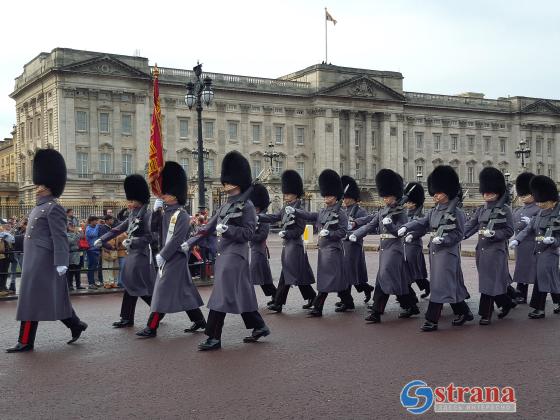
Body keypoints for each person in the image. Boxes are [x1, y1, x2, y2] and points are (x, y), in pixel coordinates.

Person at [184, 151, 270, 351]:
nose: (225, 184)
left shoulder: (247, 206)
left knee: (220, 295)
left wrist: (228, 230)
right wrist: (189, 242)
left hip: (236, 255)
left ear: (238, 181)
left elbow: (248, 233)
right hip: (224, 254)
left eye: (229, 181)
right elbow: (207, 227)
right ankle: (259, 326)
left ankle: (214, 336)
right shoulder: (226, 205)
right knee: (240, 294)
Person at [6, 149, 87, 353]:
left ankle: (25, 341)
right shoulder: (37, 208)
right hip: (34, 260)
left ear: (49, 187)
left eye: (40, 185)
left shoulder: (53, 208)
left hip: (45, 262)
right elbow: (33, 236)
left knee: (32, 299)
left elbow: (59, 237)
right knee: (50, 298)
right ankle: (76, 324)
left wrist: (62, 262)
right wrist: (13, 239)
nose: (37, 188)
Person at [135, 163, 206, 338]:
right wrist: (155, 210)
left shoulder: (181, 215)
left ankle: (151, 327)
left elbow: (176, 239)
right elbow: (151, 227)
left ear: (174, 195)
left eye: (165, 193)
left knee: (161, 292)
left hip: (174, 258)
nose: (162, 195)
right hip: (166, 257)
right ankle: (200, 321)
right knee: (183, 290)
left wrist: (163, 255)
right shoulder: (164, 211)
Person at [398, 165, 472, 331]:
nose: (435, 195)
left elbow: (459, 234)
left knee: (439, 286)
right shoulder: (434, 211)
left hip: (448, 253)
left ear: (446, 192)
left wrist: (444, 240)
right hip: (435, 253)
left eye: (438, 193)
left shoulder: (457, 212)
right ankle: (464, 312)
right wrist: (407, 227)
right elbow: (422, 222)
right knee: (446, 284)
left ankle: (432, 319)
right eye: (434, 192)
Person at [350, 169, 419, 323]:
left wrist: (391, 226)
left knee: (384, 278)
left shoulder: (401, 212)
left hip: (395, 249)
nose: (386, 199)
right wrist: (356, 234)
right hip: (385, 249)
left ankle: (376, 312)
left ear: (395, 195)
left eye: (388, 196)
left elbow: (401, 232)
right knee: (398, 280)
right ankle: (411, 306)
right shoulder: (384, 211)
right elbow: (370, 225)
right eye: (384, 196)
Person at [287, 169, 352, 316]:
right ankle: (348, 301)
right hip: (323, 252)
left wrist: (330, 233)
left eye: (328, 195)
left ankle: (318, 307)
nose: (326, 198)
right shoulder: (323, 211)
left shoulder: (341, 214)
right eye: (325, 195)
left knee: (327, 280)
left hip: (334, 251)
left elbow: (343, 232)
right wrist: (295, 211)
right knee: (335, 279)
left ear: (335, 197)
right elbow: (310, 215)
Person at [95, 174, 156, 328]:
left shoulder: (148, 215)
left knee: (138, 287)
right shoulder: (132, 214)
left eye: (132, 201)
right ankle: (127, 318)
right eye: (130, 201)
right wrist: (102, 239)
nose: (130, 204)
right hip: (132, 255)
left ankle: (157, 310)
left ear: (140, 200)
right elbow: (118, 228)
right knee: (130, 285)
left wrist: (133, 241)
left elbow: (151, 236)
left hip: (141, 255)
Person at [464, 167, 516, 325]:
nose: (486, 195)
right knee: (489, 282)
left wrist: (494, 235)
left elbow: (509, 230)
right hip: (482, 251)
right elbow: (470, 226)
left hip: (496, 251)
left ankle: (485, 314)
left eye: (490, 192)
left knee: (489, 283)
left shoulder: (505, 210)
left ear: (497, 192)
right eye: (485, 192)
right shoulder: (481, 209)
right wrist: (458, 235)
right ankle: (506, 303)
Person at [259, 169, 317, 313]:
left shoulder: (300, 208)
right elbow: (274, 217)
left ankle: (278, 302)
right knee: (298, 274)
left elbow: (300, 229)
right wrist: (259, 217)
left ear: (295, 194)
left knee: (287, 273)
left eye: (288, 194)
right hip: (288, 245)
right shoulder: (286, 207)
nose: (285, 196)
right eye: (285, 194)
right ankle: (312, 297)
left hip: (295, 245)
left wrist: (287, 233)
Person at [510, 175, 560, 318]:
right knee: (550, 279)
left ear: (551, 200)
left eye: (542, 202)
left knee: (542, 280)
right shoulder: (539, 213)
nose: (539, 204)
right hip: (538, 252)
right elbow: (528, 229)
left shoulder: (557, 216)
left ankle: (539, 309)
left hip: (550, 253)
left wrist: (554, 241)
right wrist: (517, 240)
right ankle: (557, 302)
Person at [339, 175, 374, 306]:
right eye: (344, 198)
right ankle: (366, 288)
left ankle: (346, 301)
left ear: (353, 198)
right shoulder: (343, 210)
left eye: (347, 198)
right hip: (343, 244)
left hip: (354, 245)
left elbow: (366, 227)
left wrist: (353, 234)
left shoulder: (360, 211)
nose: (345, 200)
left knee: (348, 272)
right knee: (349, 272)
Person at [511, 172, 539, 304]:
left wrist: (530, 223)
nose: (522, 198)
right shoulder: (517, 210)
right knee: (521, 270)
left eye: (525, 195)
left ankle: (541, 295)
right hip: (520, 246)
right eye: (521, 195)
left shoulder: (538, 209)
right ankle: (521, 293)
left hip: (532, 244)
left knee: (534, 271)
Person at [249, 183, 277, 302]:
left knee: (251, 277)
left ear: (259, 207)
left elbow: (262, 235)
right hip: (255, 250)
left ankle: (248, 300)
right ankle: (276, 295)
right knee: (263, 277)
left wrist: (249, 235)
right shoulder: (254, 217)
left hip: (259, 251)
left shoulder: (263, 218)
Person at [402, 182, 430, 299]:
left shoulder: (420, 215)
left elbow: (423, 230)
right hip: (404, 244)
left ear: (414, 203)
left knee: (411, 269)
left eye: (409, 202)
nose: (407, 204)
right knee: (411, 269)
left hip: (414, 245)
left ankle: (406, 293)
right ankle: (426, 287)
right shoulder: (405, 214)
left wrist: (412, 235)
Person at [85, 216, 101, 289]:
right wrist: (98, 226)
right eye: (95, 221)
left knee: (94, 267)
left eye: (97, 221)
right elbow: (93, 234)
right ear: (91, 221)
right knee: (91, 267)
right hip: (91, 250)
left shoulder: (95, 227)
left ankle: (93, 282)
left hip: (96, 249)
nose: (96, 222)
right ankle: (91, 283)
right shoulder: (88, 228)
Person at [0, 223, 15, 297]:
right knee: (2, 272)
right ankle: (1, 289)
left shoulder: (6, 234)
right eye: (7, 225)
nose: (8, 226)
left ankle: (4, 287)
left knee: (5, 272)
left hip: (6, 255)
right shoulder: (2, 233)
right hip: (1, 256)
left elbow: (12, 241)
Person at [67, 223, 83, 290]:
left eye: (73, 226)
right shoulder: (66, 234)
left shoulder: (76, 233)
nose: (73, 227)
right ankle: (70, 285)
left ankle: (78, 285)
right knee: (70, 272)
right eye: (71, 226)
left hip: (78, 254)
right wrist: (77, 234)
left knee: (78, 271)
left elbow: (82, 237)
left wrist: (81, 232)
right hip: (71, 255)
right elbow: (72, 241)